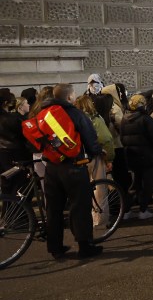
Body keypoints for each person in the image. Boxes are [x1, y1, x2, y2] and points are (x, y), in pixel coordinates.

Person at [33, 84, 105, 259]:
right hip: (74, 166)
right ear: (69, 97)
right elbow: (90, 137)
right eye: (73, 95)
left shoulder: (42, 114)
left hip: (51, 167)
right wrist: (96, 151)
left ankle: (55, 247)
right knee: (80, 206)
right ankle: (85, 246)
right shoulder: (75, 113)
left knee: (54, 208)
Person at [74, 95, 115, 227]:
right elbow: (106, 138)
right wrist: (109, 158)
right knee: (99, 189)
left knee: (82, 190)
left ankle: (86, 218)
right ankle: (100, 219)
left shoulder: (74, 118)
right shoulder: (95, 118)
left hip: (79, 158)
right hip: (95, 156)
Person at [120, 94, 153, 220]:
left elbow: (122, 138)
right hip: (146, 155)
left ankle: (126, 211)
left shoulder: (124, 119)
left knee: (134, 184)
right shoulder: (145, 119)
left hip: (131, 155)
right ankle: (143, 210)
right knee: (147, 184)